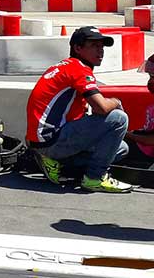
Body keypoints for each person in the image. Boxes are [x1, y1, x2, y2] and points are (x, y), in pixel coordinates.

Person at [26, 26, 132, 193]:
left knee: (121, 148)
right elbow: (102, 107)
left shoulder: (64, 66)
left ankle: (56, 163)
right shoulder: (79, 70)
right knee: (119, 118)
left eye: (102, 46)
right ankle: (94, 178)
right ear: (77, 48)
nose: (101, 51)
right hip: (51, 140)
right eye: (94, 46)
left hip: (42, 140)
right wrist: (116, 101)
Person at [124, 51, 154, 163]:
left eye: (153, 77)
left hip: (146, 154)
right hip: (143, 146)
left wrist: (128, 135)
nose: (150, 81)